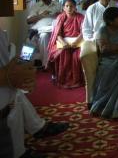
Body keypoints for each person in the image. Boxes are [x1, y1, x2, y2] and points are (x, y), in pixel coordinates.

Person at [0, 29, 69, 158]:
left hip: (7, 99)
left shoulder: (2, 34)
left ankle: (25, 145)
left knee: (17, 98)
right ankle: (37, 130)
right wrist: (9, 76)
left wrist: (22, 70)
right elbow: (8, 73)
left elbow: (8, 62)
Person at [47, 0, 85, 88]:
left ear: (75, 7)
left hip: (77, 41)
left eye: (71, 6)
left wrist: (76, 42)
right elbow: (58, 34)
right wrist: (63, 43)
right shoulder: (61, 17)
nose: (69, 8)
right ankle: (62, 80)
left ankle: (76, 81)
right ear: (63, 8)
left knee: (76, 56)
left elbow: (83, 32)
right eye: (67, 6)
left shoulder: (80, 17)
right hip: (63, 42)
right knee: (62, 53)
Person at [27, 0, 61, 68]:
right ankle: (46, 64)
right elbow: (28, 21)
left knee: (54, 27)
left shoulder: (57, 4)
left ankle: (37, 30)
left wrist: (59, 15)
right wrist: (42, 15)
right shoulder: (37, 6)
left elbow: (64, 16)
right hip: (43, 29)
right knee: (44, 35)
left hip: (54, 28)